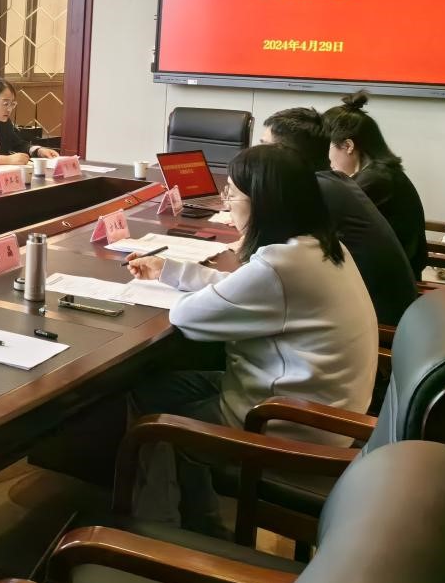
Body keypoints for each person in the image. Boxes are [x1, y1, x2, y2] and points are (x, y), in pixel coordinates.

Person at [126, 143, 376, 535]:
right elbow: (242, 286)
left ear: (262, 204)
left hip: (286, 424)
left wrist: (188, 290)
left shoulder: (280, 266)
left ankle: (157, 533)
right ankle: (202, 523)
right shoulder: (320, 247)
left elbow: (187, 316)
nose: (228, 207)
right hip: (328, 412)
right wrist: (170, 270)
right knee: (152, 390)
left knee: (154, 425)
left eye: (232, 195)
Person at [261, 106, 416, 325]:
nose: (258, 155)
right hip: (377, 301)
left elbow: (274, 249)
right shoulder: (334, 181)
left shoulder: (320, 189)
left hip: (380, 319)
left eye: (265, 147)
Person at [323, 91, 428, 277]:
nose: (326, 159)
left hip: (393, 281)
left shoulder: (376, 181)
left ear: (348, 146)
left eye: (326, 148)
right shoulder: (382, 174)